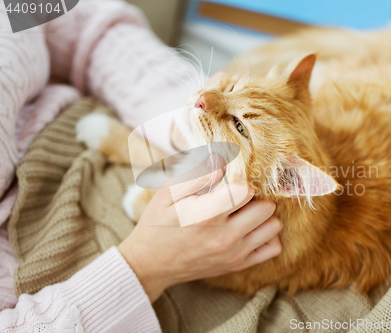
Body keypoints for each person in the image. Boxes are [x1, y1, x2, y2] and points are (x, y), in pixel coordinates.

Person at [0, 0, 282, 331]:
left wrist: (181, 118)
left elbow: (84, 28)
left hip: (97, 122)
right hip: (70, 280)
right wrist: (144, 268)